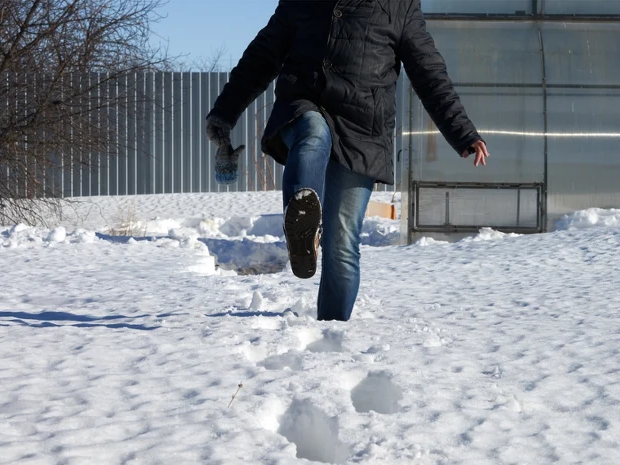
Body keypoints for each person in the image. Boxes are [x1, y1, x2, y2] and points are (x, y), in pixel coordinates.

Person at [206, 0, 489, 322]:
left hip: (363, 129)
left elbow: (429, 73)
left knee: (341, 242)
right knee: (313, 134)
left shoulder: (399, 6)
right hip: (304, 105)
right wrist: (224, 113)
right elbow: (262, 57)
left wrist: (463, 132)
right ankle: (302, 221)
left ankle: (334, 329)